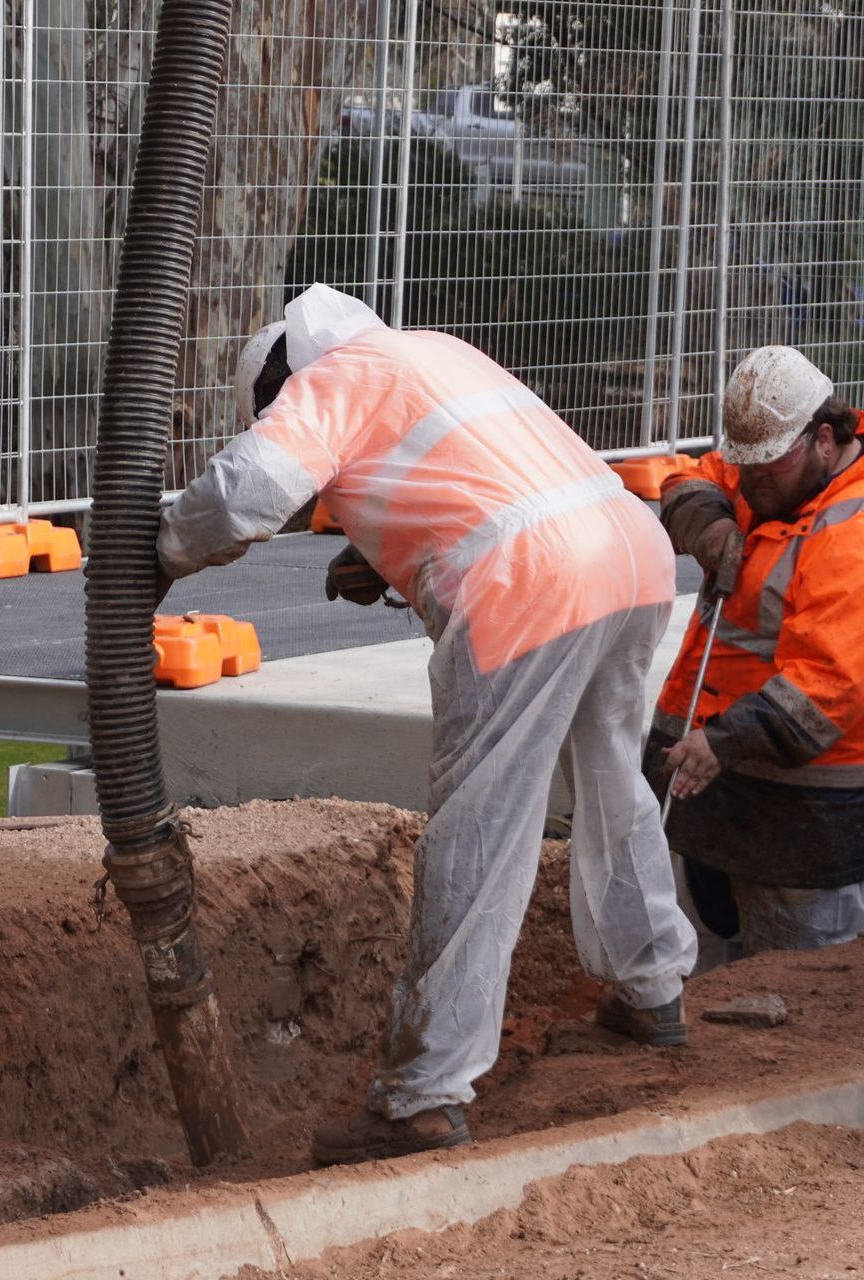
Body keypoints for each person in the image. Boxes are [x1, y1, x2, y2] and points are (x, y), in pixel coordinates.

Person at [156, 284, 697, 1164]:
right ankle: (651, 987)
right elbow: (478, 476)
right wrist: (378, 548)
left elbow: (248, 492)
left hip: (532, 582)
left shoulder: (335, 378)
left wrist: (163, 548)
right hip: (629, 554)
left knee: (482, 828)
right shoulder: (434, 350)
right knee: (611, 781)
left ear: (289, 376)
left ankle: (424, 1096)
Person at [645, 345, 864, 969]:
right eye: (745, 468)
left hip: (811, 820)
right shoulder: (775, 470)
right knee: (707, 985)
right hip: (722, 792)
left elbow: (823, 691)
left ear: (823, 437)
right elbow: (693, 479)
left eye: (765, 470)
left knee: (802, 996)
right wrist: (708, 526)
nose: (750, 485)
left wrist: (722, 743)